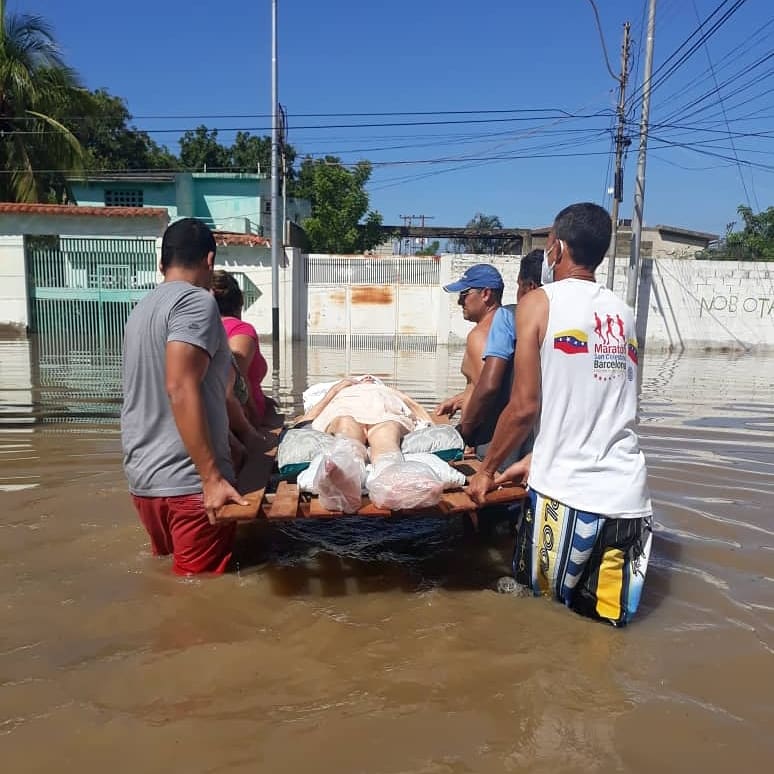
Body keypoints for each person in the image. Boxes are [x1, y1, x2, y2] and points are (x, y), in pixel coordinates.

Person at [468, 203, 653, 626]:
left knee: (538, 624)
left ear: (557, 249)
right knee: (604, 637)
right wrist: (535, 459)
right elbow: (610, 411)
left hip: (568, 503)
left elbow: (523, 407)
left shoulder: (538, 304)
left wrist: (487, 469)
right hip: (630, 504)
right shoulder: (624, 315)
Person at [121, 218, 247, 575]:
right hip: (188, 483)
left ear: (162, 263)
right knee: (200, 606)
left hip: (144, 481)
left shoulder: (140, 309)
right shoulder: (197, 303)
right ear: (210, 260)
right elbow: (179, 386)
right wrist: (211, 478)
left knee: (169, 587)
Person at [458, 250, 543, 469]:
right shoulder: (561, 322)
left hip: (500, 448)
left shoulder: (506, 318)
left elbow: (488, 387)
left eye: (519, 286)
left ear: (530, 287)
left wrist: (466, 431)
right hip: (539, 448)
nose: (460, 301)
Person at [293, 376, 433, 463]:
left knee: (386, 433)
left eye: (371, 379)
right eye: (361, 378)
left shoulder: (384, 390)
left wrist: (430, 424)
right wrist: (335, 390)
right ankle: (345, 469)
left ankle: (390, 470)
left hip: (384, 415)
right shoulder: (343, 391)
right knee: (346, 429)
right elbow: (306, 420)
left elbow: (413, 406)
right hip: (346, 412)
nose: (367, 378)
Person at [434, 264, 504, 421]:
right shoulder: (505, 328)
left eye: (464, 294)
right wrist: (458, 401)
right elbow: (490, 388)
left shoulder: (479, 336)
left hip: (482, 437)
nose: (459, 301)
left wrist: (467, 433)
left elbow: (488, 397)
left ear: (486, 294)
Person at [210, 270, 272, 427]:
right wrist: (254, 426)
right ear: (239, 303)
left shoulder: (199, 329)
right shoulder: (241, 331)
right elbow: (237, 385)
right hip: (243, 421)